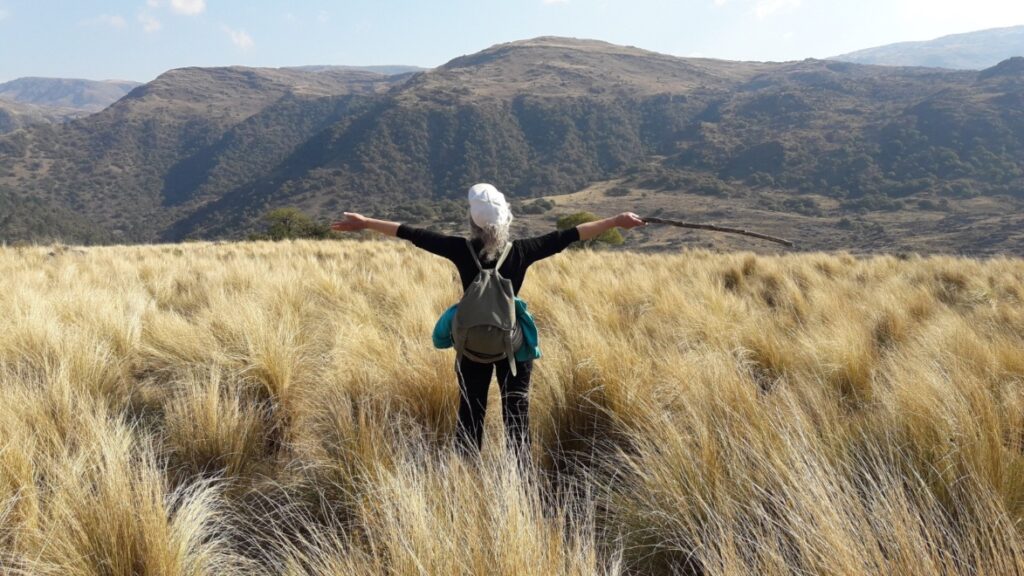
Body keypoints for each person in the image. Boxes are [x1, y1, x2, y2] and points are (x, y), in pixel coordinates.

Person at [331, 183, 645, 457]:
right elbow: (572, 235)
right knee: (516, 416)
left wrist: (365, 223)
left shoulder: (459, 249)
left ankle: (465, 478)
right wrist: (617, 220)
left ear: (473, 222)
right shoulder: (523, 251)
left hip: (471, 347)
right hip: (513, 348)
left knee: (470, 415)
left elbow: (411, 233)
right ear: (506, 219)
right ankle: (520, 482)